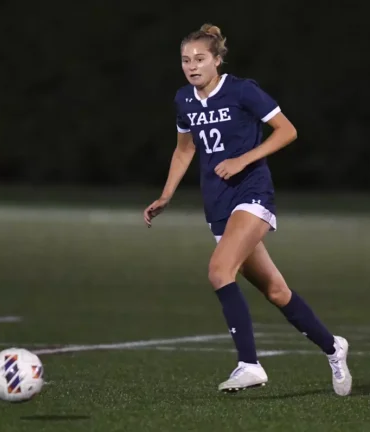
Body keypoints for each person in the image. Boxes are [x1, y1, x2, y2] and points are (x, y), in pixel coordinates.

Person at [143, 24, 352, 395]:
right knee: (276, 291)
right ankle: (334, 348)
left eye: (200, 59)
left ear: (218, 60)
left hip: (252, 194)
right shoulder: (184, 100)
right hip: (218, 205)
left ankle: (249, 364)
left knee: (219, 270)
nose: (192, 66)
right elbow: (185, 149)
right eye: (185, 60)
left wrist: (243, 160)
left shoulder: (242, 91)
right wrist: (166, 195)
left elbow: (287, 131)